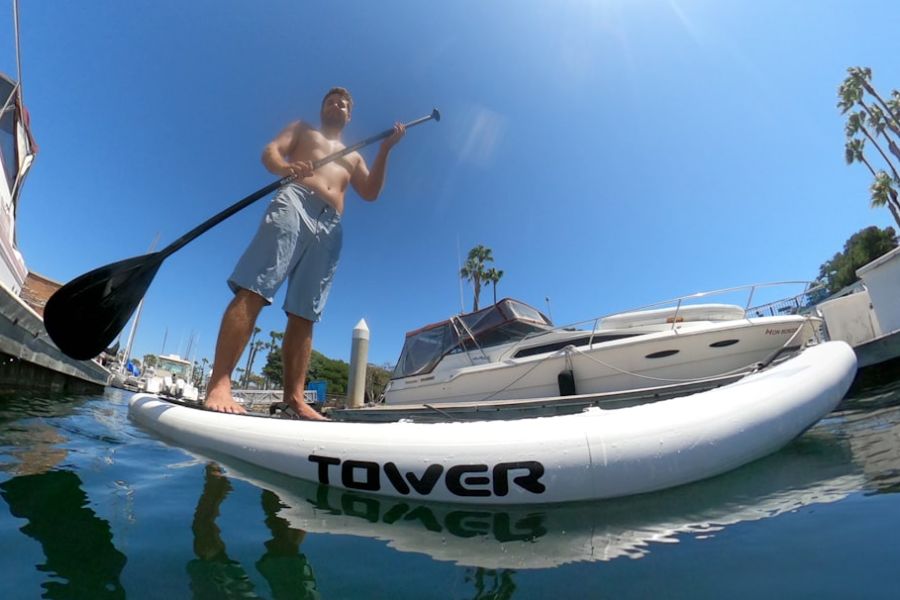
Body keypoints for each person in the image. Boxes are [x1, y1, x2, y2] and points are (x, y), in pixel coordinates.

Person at [204, 87, 405, 419]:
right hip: (294, 201)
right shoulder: (302, 129)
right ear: (323, 108)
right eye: (331, 101)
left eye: (343, 103)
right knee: (255, 287)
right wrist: (285, 167)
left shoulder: (355, 154)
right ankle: (219, 383)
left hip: (331, 226)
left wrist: (385, 150)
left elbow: (369, 193)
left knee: (305, 313)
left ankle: (294, 399)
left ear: (349, 114)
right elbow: (270, 151)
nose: (337, 105)